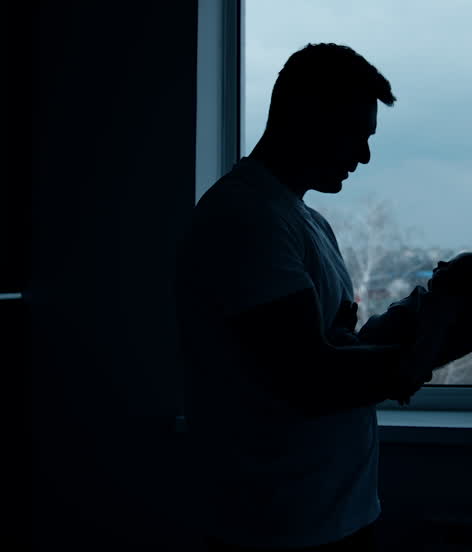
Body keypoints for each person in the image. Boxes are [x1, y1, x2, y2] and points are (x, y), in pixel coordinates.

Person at [175, 43, 439, 552]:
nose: (364, 156)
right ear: (306, 117)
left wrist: (415, 318)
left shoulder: (303, 221)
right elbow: (310, 380)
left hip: (324, 514)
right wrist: (425, 349)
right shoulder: (246, 217)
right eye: (357, 136)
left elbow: (334, 349)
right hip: (275, 526)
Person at [328, 252, 472, 387]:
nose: (441, 262)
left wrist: (343, 334)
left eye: (452, 265)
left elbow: (419, 355)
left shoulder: (436, 315)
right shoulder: (434, 311)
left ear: (465, 290)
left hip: (353, 356)